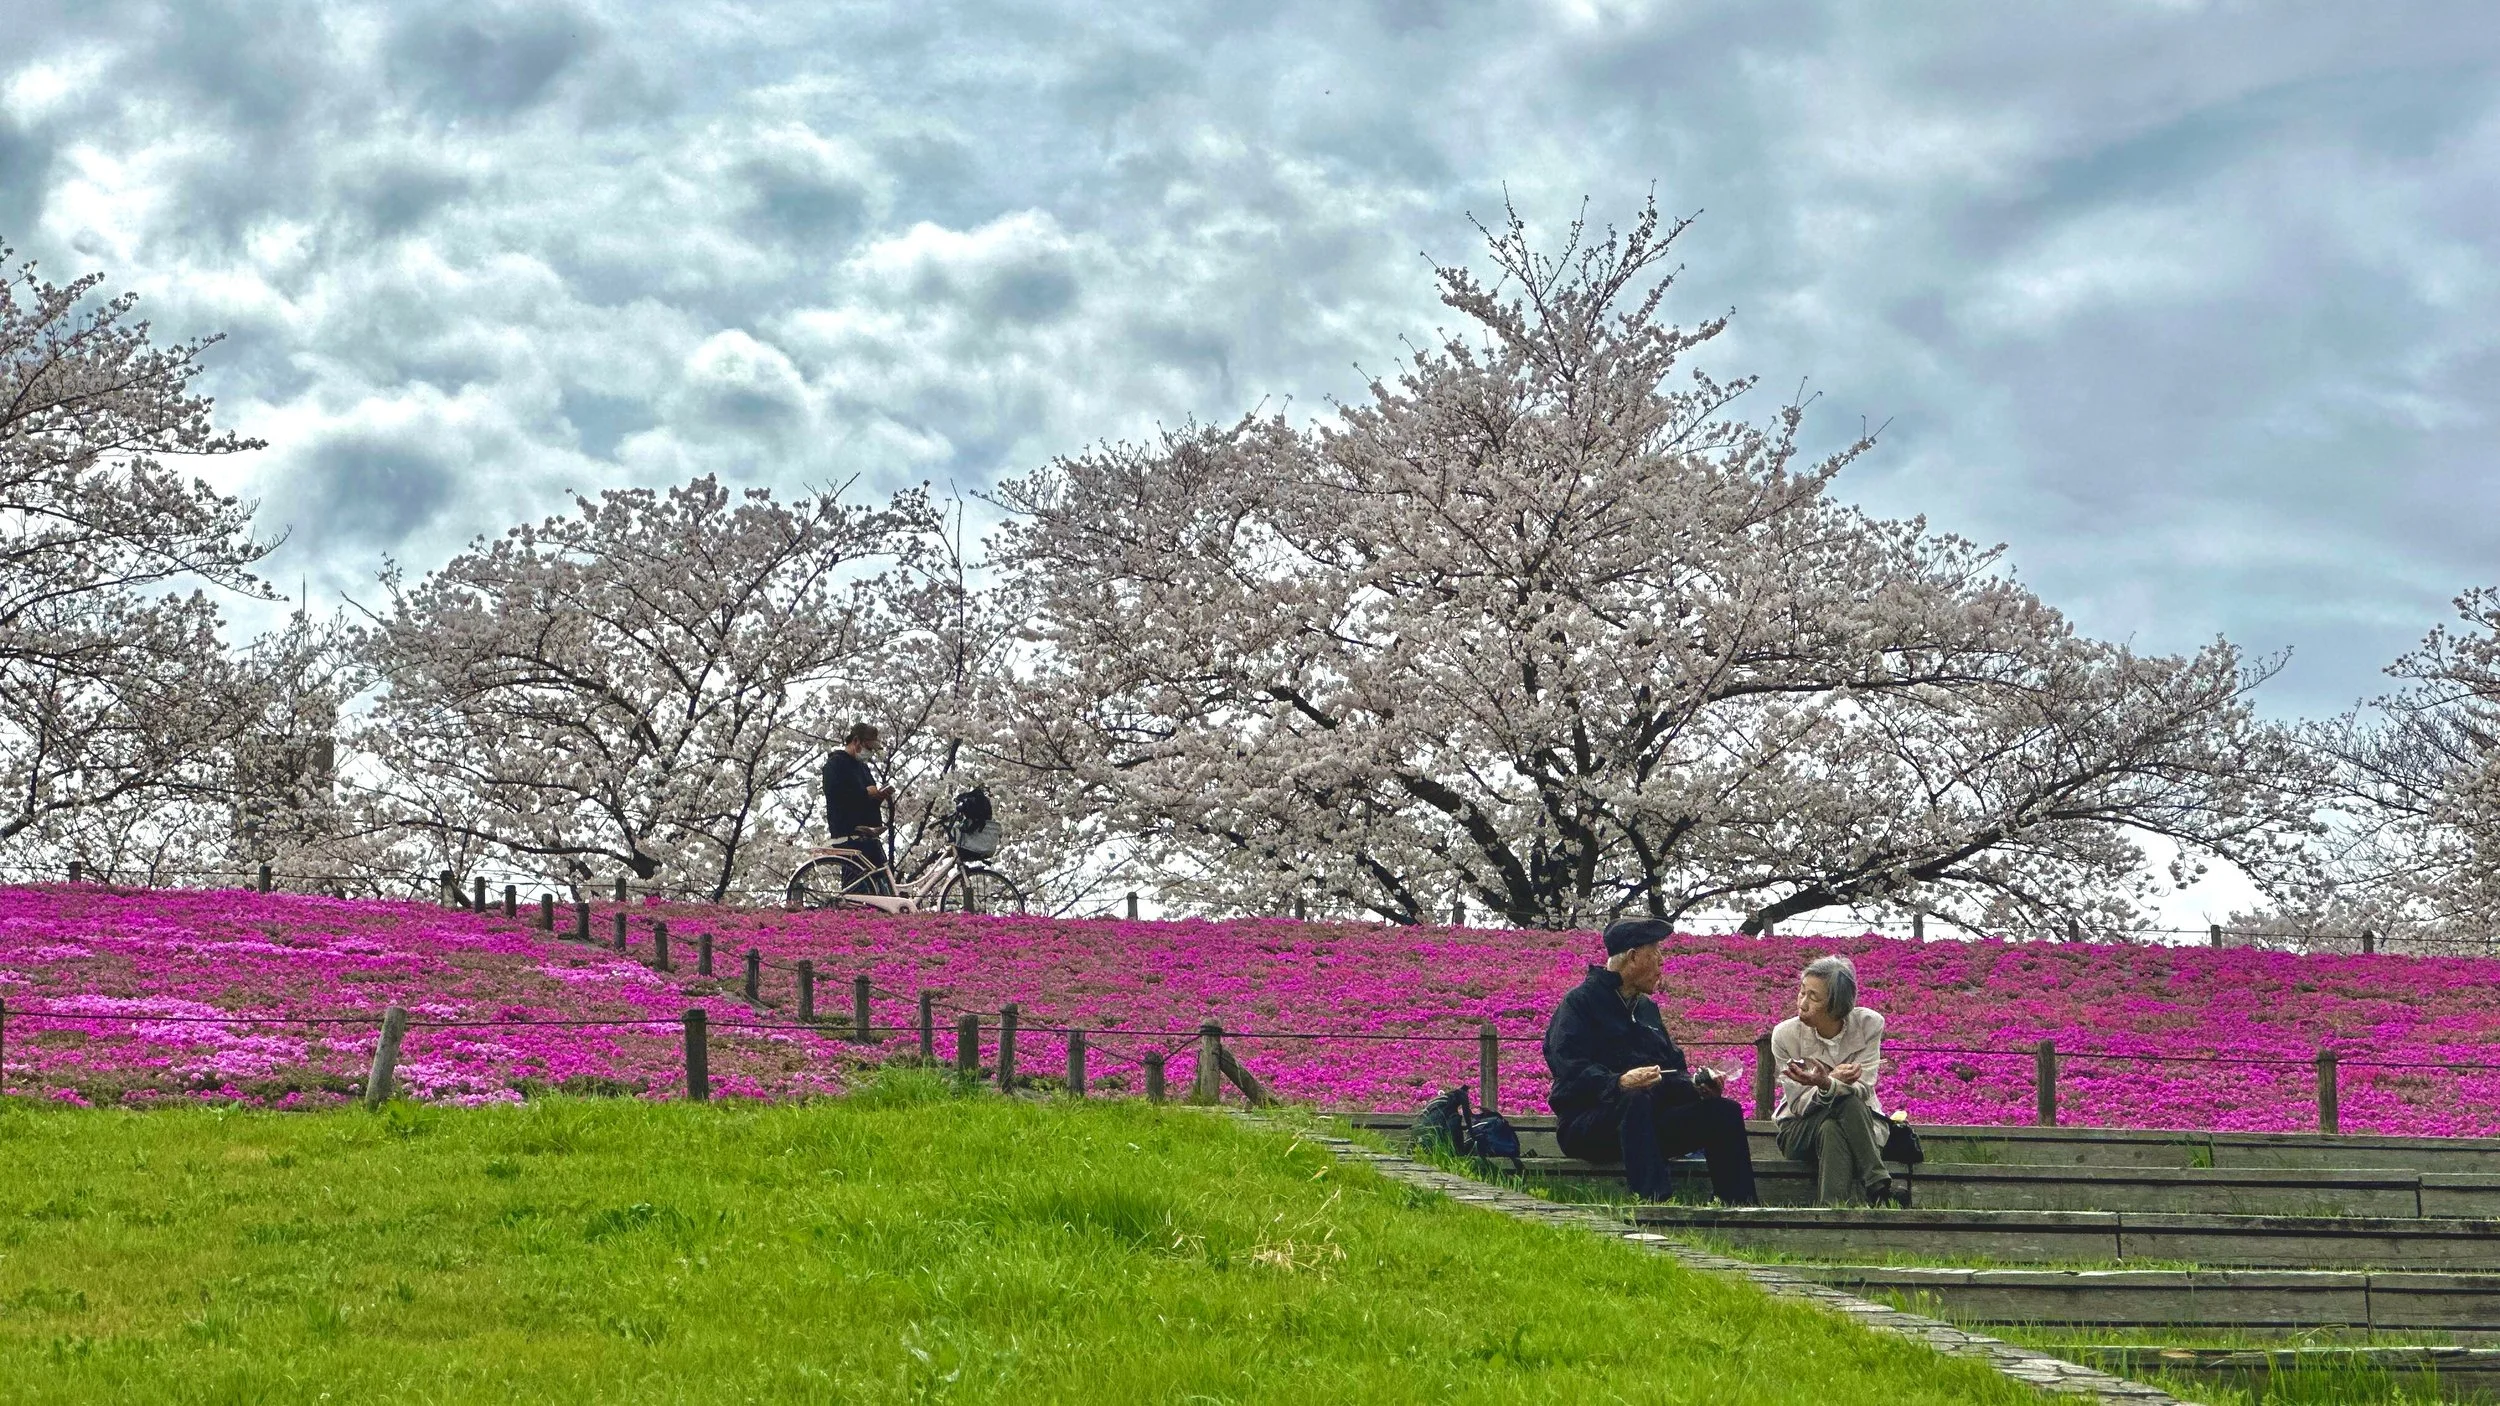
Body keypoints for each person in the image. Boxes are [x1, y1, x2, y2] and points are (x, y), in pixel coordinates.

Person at [1542, 917, 1759, 1205]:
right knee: (1635, 1098)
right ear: (1633, 957)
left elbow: (1671, 1069)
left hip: (1647, 1126)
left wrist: (1695, 1085)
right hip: (1588, 1124)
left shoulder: (1647, 1010)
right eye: (1655, 952)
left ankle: (1741, 1206)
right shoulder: (1579, 1003)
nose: (1661, 963)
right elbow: (1568, 1066)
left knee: (1724, 1112)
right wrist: (1617, 1082)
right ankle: (1656, 1203)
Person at [1770, 954, 1901, 1207]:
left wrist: (1826, 1084)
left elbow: (1864, 1087)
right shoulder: (1785, 1035)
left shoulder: (1868, 1025)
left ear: (1836, 1006)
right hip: (1799, 1129)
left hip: (1857, 1126)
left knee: (1833, 1126)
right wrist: (1828, 1083)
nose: (1802, 1002)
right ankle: (1877, 1181)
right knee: (1846, 1102)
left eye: (1813, 997)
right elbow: (1797, 1104)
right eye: (1802, 992)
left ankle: (1831, 1211)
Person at [822, 723, 894, 896]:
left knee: (882, 882)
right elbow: (835, 794)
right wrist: (864, 793)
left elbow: (867, 798)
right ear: (856, 741)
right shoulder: (835, 764)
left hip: (867, 832)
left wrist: (878, 796)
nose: (870, 753)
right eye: (868, 747)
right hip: (848, 831)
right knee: (855, 888)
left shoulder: (863, 767)